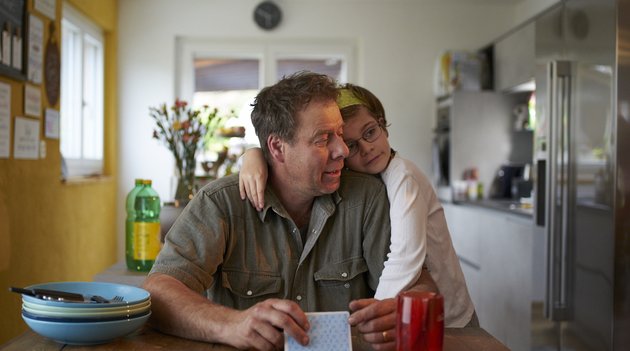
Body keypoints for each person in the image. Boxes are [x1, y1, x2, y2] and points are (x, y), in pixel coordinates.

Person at [143, 72, 432, 351]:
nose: (343, 150)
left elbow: (422, 285)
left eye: (341, 135)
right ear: (277, 148)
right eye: (323, 139)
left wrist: (403, 309)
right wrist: (232, 325)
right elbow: (159, 291)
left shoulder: (366, 198)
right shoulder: (221, 203)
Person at [239, 83, 477, 327]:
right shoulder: (365, 180)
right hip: (416, 318)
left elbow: (404, 258)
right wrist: (252, 155)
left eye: (370, 132)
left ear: (382, 124)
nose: (366, 148)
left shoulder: (404, 176)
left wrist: (371, 317)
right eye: (351, 144)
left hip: (448, 318)